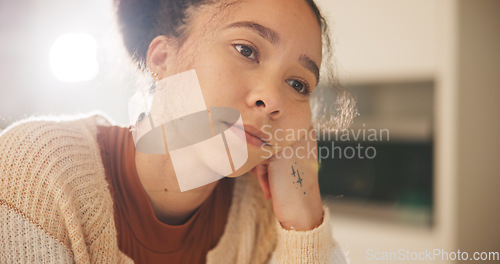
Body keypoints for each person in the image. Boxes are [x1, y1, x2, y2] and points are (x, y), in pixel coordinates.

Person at [0, 0, 354, 263]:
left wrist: (303, 220)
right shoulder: (37, 168)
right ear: (162, 59)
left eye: (298, 84)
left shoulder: (262, 218)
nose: (273, 99)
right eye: (246, 50)